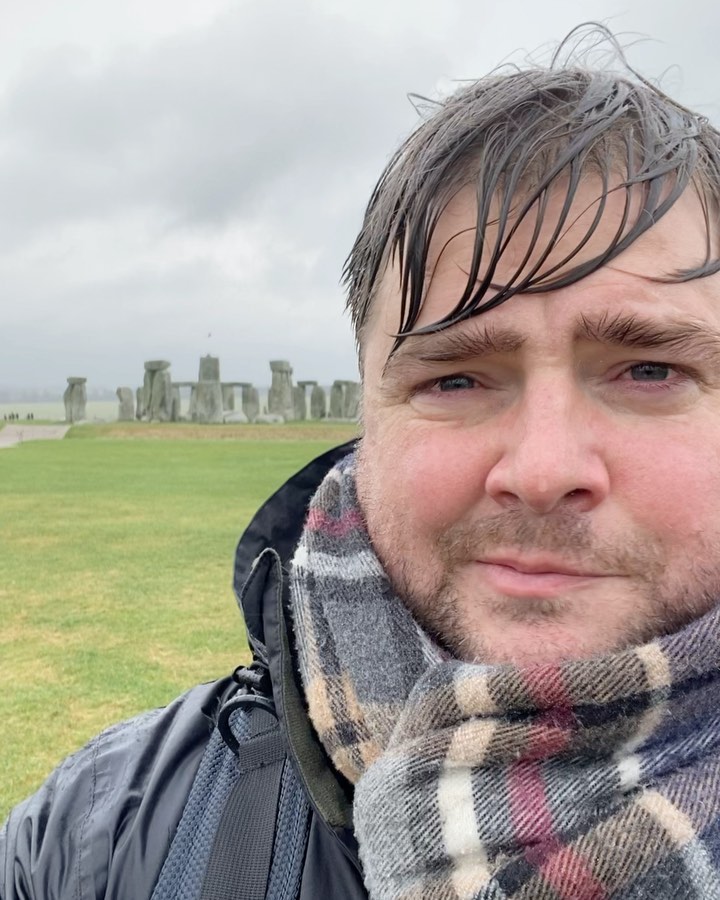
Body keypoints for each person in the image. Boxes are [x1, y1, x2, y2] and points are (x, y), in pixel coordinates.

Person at [4, 22, 720, 899]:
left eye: (650, 371)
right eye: (454, 379)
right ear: (368, 414)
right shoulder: (97, 841)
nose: (542, 470)